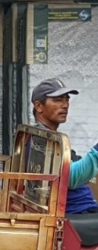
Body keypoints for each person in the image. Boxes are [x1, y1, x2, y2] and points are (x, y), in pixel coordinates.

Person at [30, 78, 98, 215]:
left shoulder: (54, 139)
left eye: (66, 100)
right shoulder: (40, 140)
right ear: (39, 106)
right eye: (57, 100)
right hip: (75, 214)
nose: (65, 105)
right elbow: (70, 178)